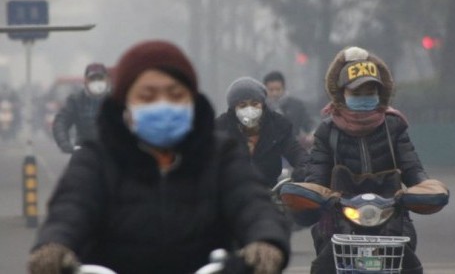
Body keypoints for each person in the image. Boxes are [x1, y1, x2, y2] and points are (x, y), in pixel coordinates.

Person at [28, 40, 290, 274]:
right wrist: (54, 245)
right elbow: (71, 208)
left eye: (175, 94)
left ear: (192, 101)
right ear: (124, 105)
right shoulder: (96, 158)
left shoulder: (220, 154)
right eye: (147, 96)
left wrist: (265, 241)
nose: (162, 104)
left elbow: (253, 205)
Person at [285, 47, 448, 273]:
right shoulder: (327, 131)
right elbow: (317, 178)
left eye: (370, 92)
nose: (364, 98)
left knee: (411, 266)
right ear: (341, 94)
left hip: (392, 217)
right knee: (323, 266)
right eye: (356, 93)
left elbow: (413, 170)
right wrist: (312, 195)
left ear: (380, 94)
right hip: (339, 219)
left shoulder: (394, 126)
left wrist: (425, 189)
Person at [216, 77, 311, 188]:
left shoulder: (278, 125)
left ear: (262, 104)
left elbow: (297, 152)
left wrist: (302, 171)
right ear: (233, 108)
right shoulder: (220, 128)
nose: (249, 109)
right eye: (242, 105)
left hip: (268, 192)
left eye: (255, 103)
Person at [52, 63, 111, 153]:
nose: (96, 82)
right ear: (86, 81)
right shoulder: (76, 100)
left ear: (106, 80)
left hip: (111, 152)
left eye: (100, 78)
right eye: (92, 79)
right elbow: (61, 121)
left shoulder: (116, 99)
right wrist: (64, 144)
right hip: (84, 150)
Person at [263, 71, 314, 149]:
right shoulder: (261, 107)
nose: (275, 93)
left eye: (278, 89)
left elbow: (309, 124)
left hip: (292, 149)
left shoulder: (296, 105)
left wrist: (311, 134)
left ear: (284, 88)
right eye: (271, 90)